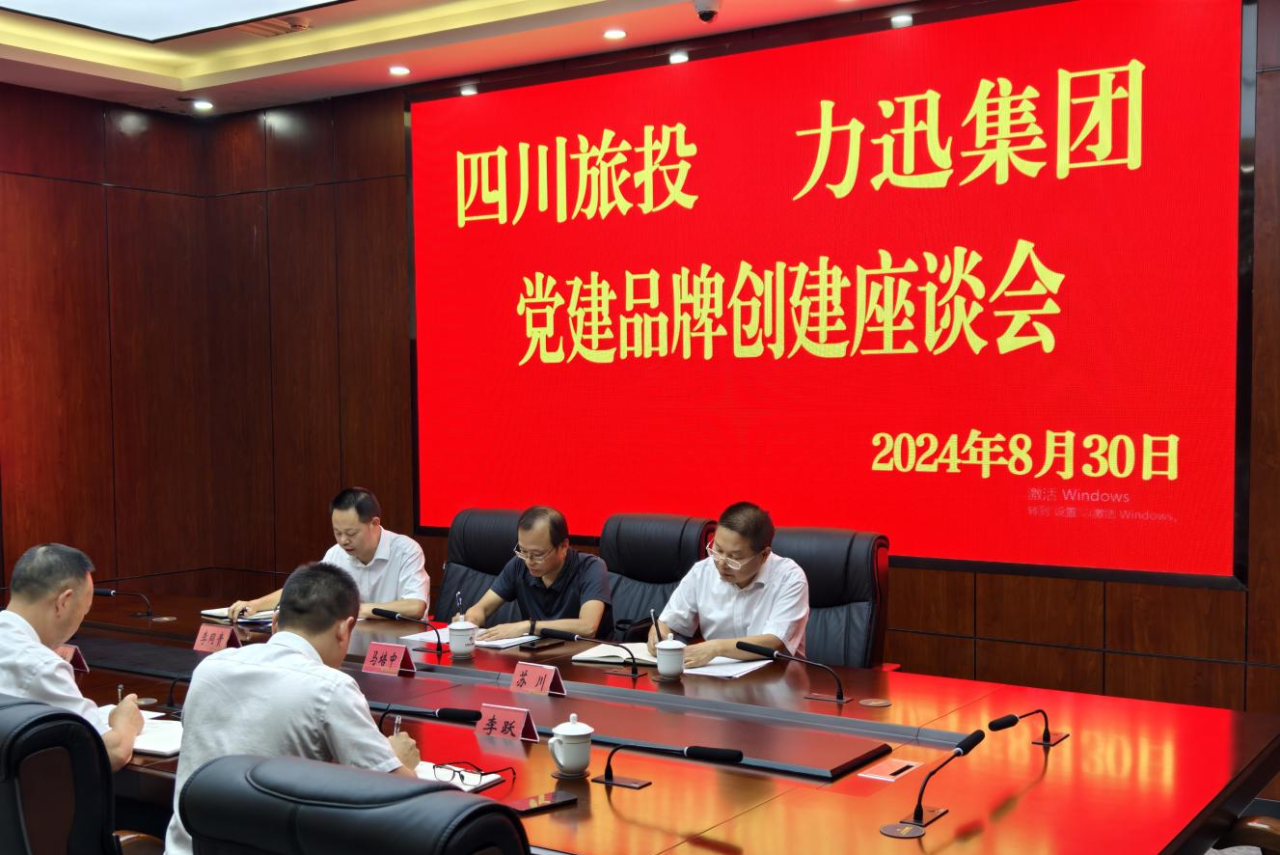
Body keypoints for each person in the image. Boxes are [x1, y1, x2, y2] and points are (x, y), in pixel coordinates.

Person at [165, 562, 421, 855]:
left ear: (274, 622)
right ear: (345, 629)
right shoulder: (330, 687)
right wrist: (397, 760)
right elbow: (397, 799)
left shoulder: (210, 668)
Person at [0, 544, 143, 771]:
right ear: (63, 602)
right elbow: (110, 753)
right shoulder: (40, 665)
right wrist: (126, 722)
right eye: (85, 610)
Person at [227, 487, 428, 621]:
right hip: (355, 641)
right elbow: (304, 589)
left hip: (399, 646)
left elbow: (415, 606)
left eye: (351, 533)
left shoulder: (406, 550)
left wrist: (358, 609)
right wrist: (255, 605)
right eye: (337, 532)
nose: (343, 540)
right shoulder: (336, 554)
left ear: (374, 523)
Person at [648, 502, 809, 668]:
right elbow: (668, 622)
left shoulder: (789, 578)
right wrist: (659, 633)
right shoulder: (702, 572)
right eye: (717, 550)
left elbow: (775, 642)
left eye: (734, 558)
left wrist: (716, 648)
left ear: (764, 555)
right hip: (717, 677)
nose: (721, 563)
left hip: (776, 676)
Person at [461, 506, 613, 640]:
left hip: (585, 657)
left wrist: (530, 626)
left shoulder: (590, 567)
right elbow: (481, 608)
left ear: (563, 546)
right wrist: (470, 620)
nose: (529, 561)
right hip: (536, 655)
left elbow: (588, 627)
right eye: (523, 551)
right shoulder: (519, 565)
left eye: (538, 555)